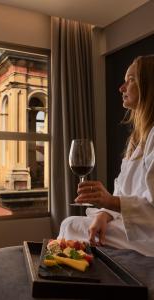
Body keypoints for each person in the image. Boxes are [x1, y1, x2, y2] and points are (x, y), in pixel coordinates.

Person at [58, 55, 154, 257]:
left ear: (149, 85)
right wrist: (104, 213)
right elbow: (122, 191)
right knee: (73, 225)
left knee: (72, 226)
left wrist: (109, 202)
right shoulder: (138, 140)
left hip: (148, 236)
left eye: (131, 80)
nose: (122, 87)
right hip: (132, 226)